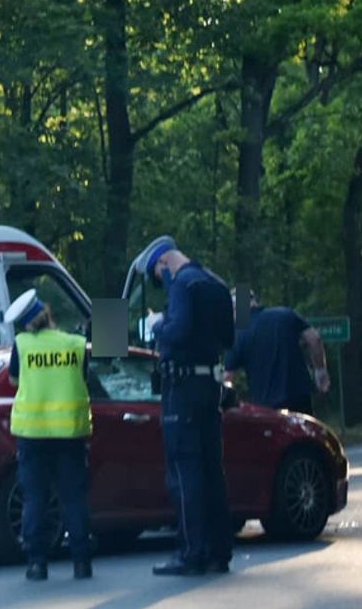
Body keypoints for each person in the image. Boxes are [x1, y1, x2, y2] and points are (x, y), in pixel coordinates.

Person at [135, 235, 234, 577]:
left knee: (184, 472)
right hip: (211, 384)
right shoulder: (215, 284)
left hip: (183, 388)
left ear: (163, 263)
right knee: (212, 469)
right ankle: (220, 551)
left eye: (159, 276)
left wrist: (157, 323)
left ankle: (191, 553)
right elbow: (230, 337)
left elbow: (177, 330)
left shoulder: (182, 285)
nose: (163, 283)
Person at [6, 288, 93, 581]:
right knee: (73, 497)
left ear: (28, 324)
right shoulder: (76, 343)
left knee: (35, 498)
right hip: (70, 432)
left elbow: (13, 379)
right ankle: (82, 562)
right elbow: (84, 377)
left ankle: (37, 563)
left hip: (33, 434)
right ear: (48, 313)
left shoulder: (22, 345)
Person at [225, 289, 330, 415]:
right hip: (299, 398)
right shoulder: (284, 315)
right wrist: (320, 372)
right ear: (254, 302)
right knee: (303, 433)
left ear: (235, 308)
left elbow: (227, 377)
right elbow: (315, 339)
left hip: (265, 407)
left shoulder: (238, 335)